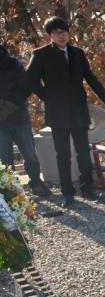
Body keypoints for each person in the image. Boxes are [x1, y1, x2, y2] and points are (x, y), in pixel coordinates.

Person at [25, 17, 105, 207]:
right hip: (58, 112)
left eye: (64, 32)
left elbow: (91, 78)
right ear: (50, 35)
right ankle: (68, 193)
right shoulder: (41, 54)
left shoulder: (77, 53)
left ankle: (88, 188)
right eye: (57, 32)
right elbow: (30, 80)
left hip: (78, 110)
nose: (62, 36)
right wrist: (48, 97)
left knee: (83, 151)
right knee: (63, 154)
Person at [0, 43, 49, 196]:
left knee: (29, 153)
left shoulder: (14, 64)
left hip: (18, 116)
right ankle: (10, 189)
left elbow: (25, 86)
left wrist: (8, 105)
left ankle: (36, 182)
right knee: (4, 157)